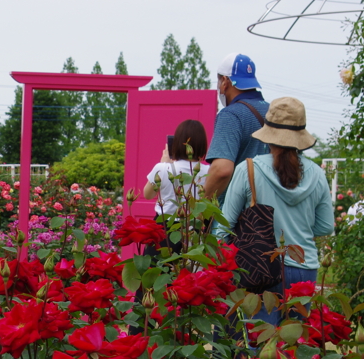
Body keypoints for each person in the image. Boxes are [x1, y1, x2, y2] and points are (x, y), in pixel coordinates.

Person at [216, 97, 334, 326]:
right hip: (304, 270)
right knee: (294, 347)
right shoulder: (317, 174)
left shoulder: (248, 169)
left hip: (258, 267)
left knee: (261, 346)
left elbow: (224, 226)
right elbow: (326, 226)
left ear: (269, 134)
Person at [204, 53, 270, 201]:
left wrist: (199, 208)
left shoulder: (231, 115)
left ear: (225, 81)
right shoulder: (273, 111)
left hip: (237, 214)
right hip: (270, 212)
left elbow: (222, 170)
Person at [143, 119, 209, 219]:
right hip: (193, 226)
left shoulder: (162, 168)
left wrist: (163, 164)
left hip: (164, 224)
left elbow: (148, 195)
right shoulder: (209, 171)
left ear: (176, 142)